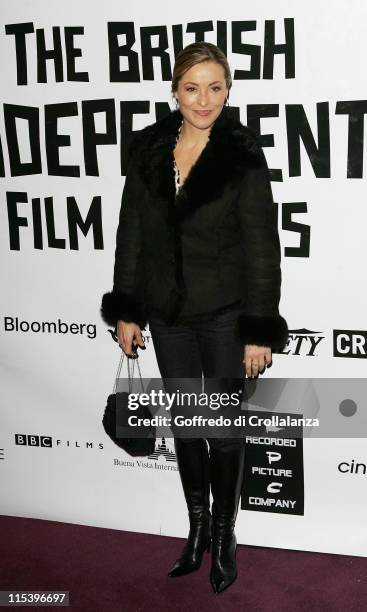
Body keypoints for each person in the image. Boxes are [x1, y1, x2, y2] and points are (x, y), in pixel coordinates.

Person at [100, 42, 288, 594]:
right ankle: (197, 530)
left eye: (216, 87)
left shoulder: (241, 152)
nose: (204, 99)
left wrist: (258, 327)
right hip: (169, 317)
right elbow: (131, 233)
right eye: (192, 87)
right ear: (174, 91)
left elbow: (262, 248)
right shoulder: (151, 149)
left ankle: (226, 537)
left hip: (227, 317)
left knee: (224, 429)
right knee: (187, 424)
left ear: (228, 90)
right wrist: (128, 308)